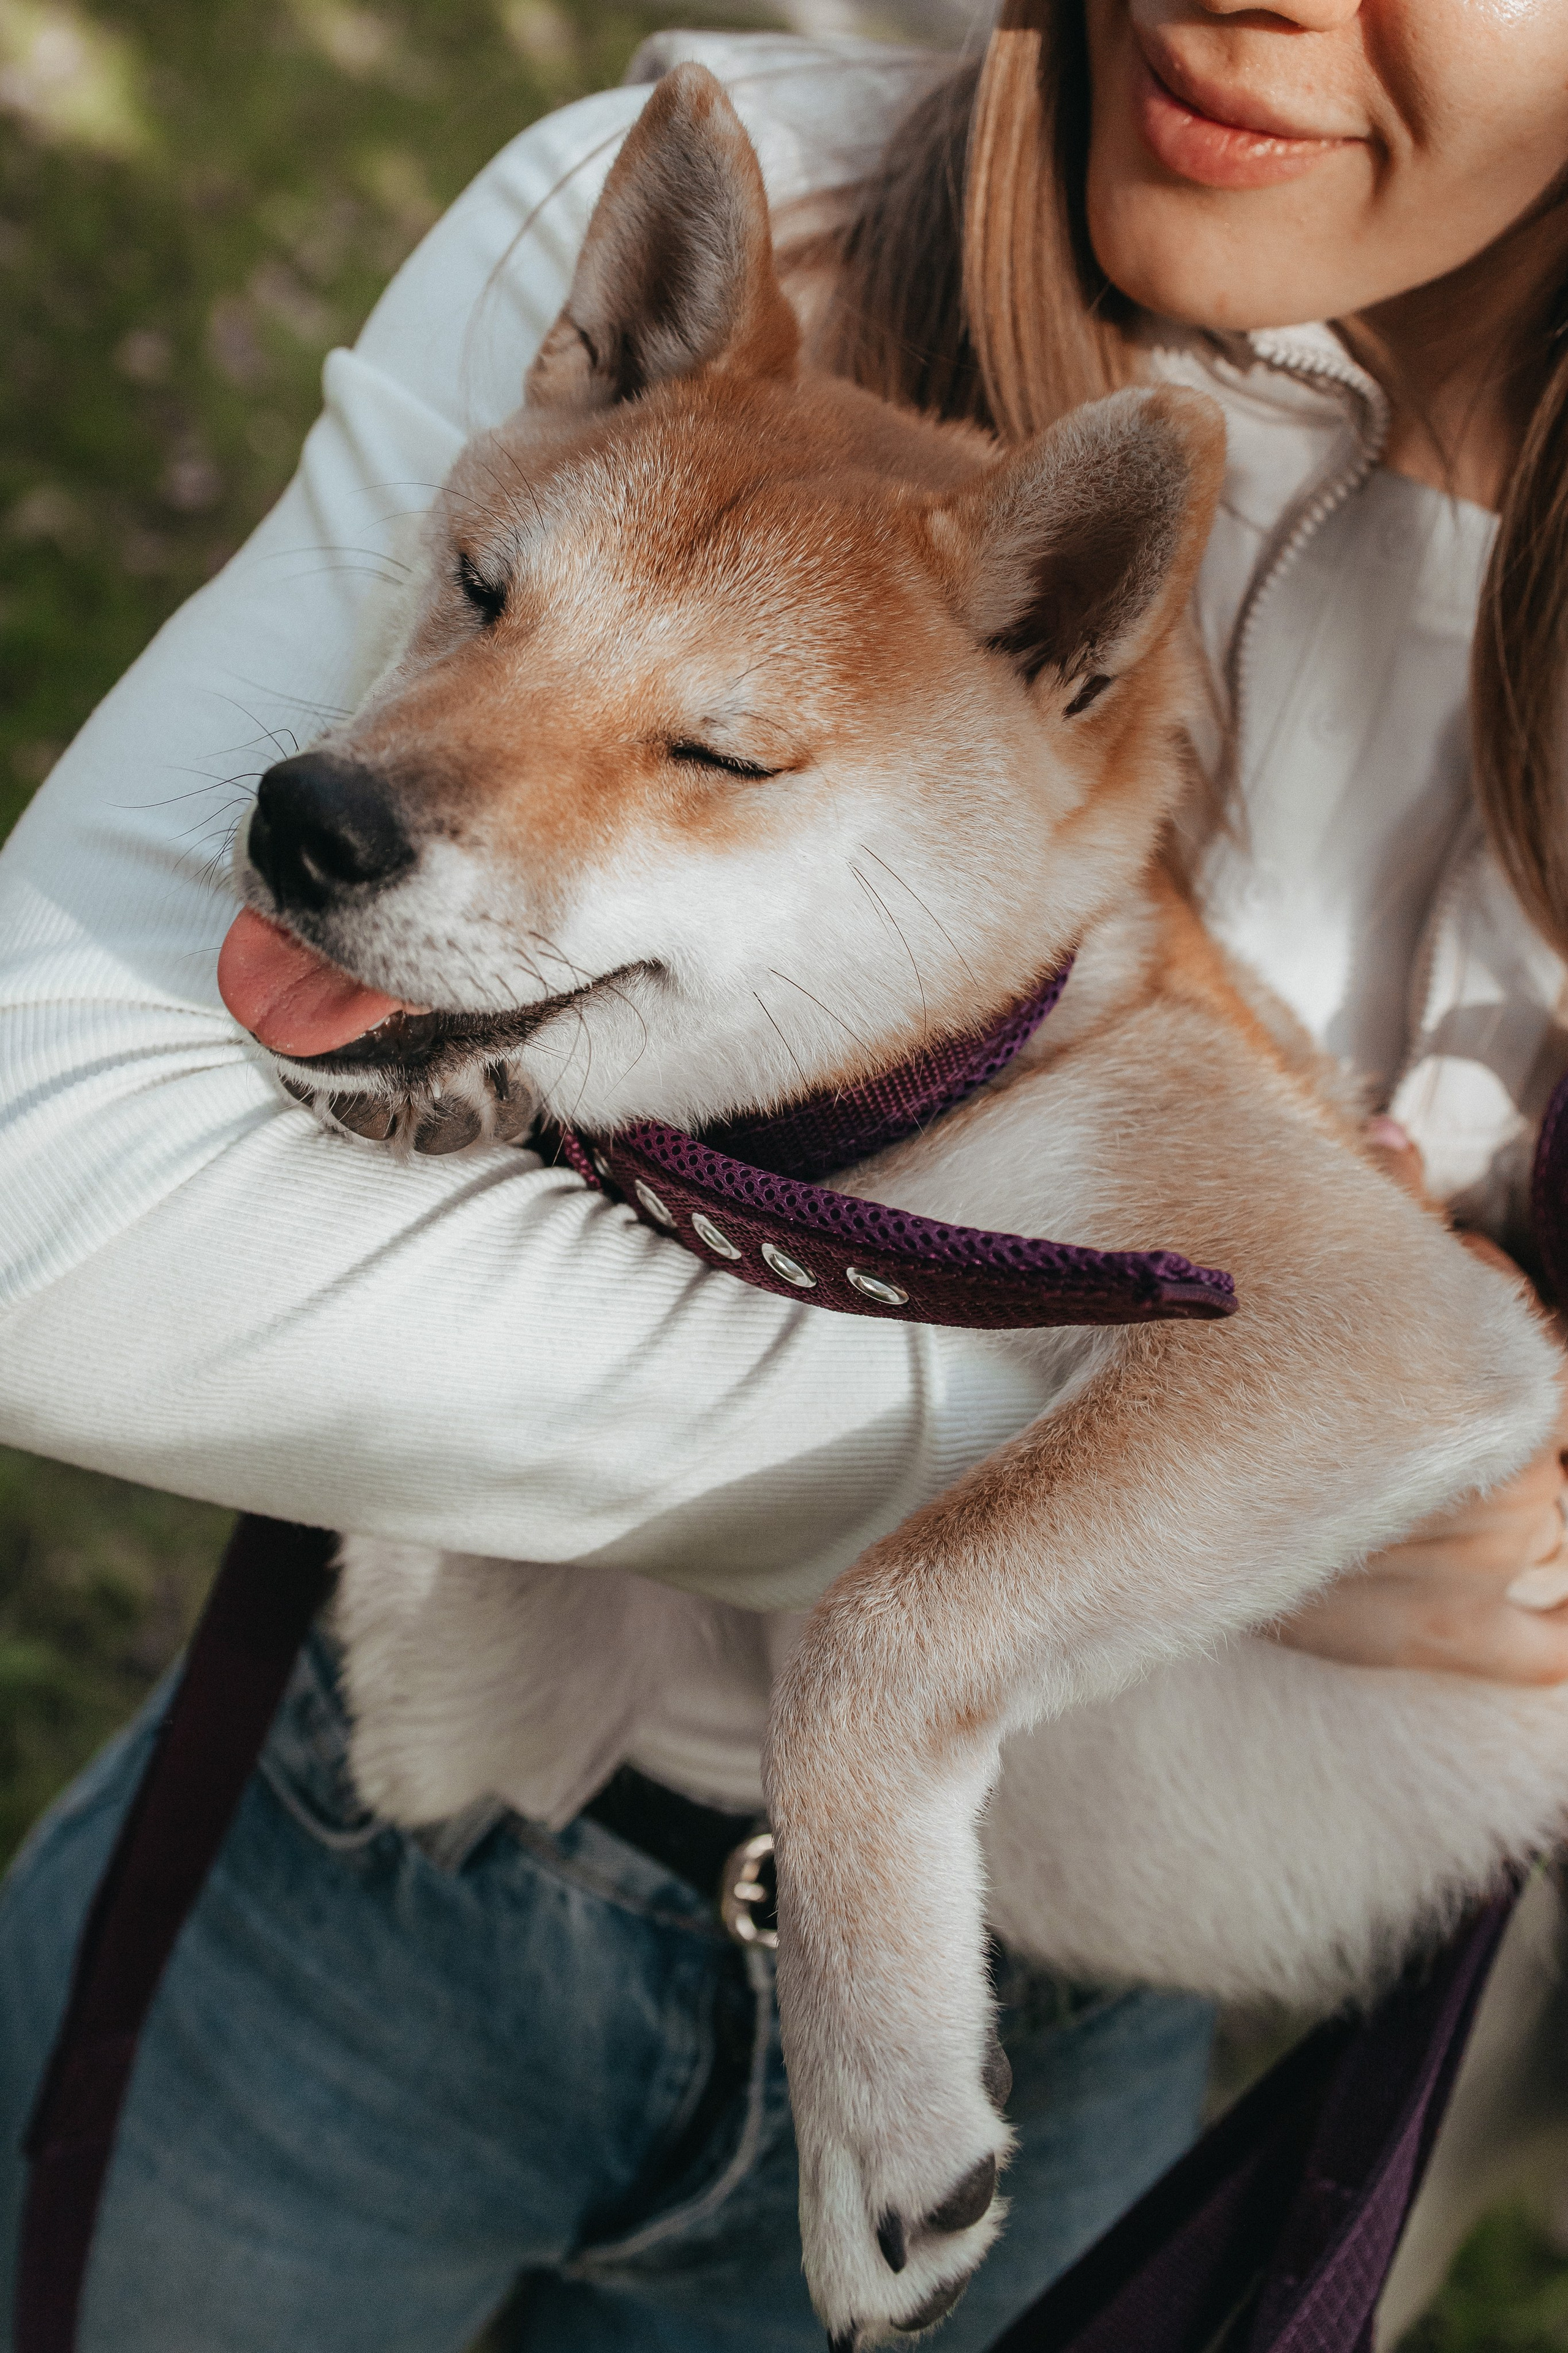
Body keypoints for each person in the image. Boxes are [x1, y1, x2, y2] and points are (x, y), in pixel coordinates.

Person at [4, 2, 1568, 2346]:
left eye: (718, 745)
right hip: (375, 1882)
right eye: (495, 603)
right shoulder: (780, 217)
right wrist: (1045, 1463)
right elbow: (56, 1203)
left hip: (1052, 2039)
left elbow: (1423, 1381)